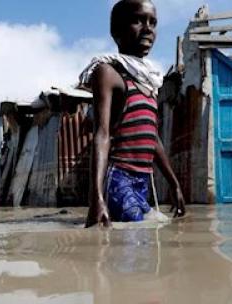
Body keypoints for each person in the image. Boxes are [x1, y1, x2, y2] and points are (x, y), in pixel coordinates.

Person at [80, 0, 186, 228]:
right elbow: (102, 134)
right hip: (118, 177)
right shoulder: (107, 73)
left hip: (142, 180)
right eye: (138, 20)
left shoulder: (149, 81)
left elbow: (152, 138)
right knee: (131, 239)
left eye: (153, 22)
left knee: (144, 241)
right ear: (116, 31)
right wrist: (96, 198)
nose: (148, 28)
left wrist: (174, 184)